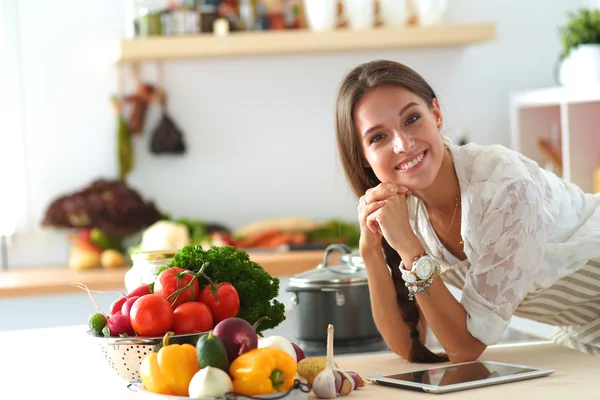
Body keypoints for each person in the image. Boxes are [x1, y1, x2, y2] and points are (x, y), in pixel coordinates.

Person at [334, 60, 600, 363]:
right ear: (363, 157)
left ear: (436, 114)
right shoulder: (404, 211)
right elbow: (410, 345)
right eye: (378, 137)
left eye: (411, 119)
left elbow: (467, 348)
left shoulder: (506, 189)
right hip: (583, 330)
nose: (403, 144)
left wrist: (411, 250)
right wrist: (370, 251)